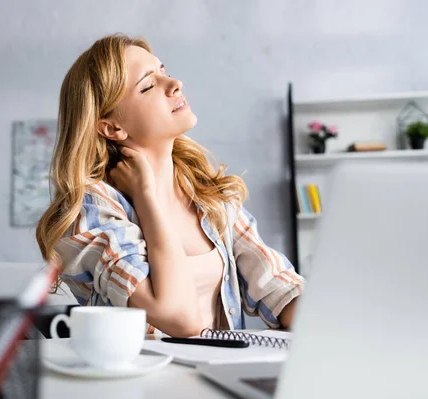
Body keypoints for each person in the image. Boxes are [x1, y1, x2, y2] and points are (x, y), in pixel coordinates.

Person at [36, 33, 304, 338]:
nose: (174, 83)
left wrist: (331, 313)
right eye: (148, 85)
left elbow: (277, 287)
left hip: (218, 376)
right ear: (112, 127)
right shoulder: (93, 209)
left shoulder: (206, 192)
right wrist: (146, 199)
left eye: (163, 70)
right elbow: (179, 317)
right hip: (142, 383)